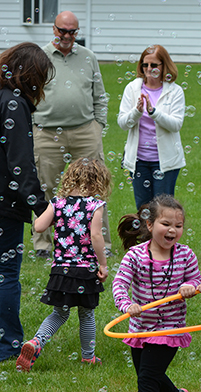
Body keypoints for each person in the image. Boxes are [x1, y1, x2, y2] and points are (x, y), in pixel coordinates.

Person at [16, 158, 111, 371]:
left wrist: (57, 217)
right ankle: (88, 357)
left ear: (70, 178)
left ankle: (36, 342)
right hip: (85, 271)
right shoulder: (95, 205)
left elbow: (39, 226)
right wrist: (103, 265)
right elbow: (96, 235)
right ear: (98, 183)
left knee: (60, 313)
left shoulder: (57, 203)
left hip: (61, 270)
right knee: (86, 313)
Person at [32, 10, 111, 259]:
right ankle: (43, 245)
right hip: (46, 132)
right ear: (54, 29)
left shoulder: (88, 57)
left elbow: (100, 95)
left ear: (77, 32)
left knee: (94, 187)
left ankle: (101, 242)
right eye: (62, 30)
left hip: (84, 130)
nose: (66, 36)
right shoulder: (39, 57)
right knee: (47, 186)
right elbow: (27, 93)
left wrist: (98, 125)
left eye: (72, 32)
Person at [0, 42, 55, 363]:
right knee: (6, 273)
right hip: (4, 205)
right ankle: (7, 345)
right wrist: (43, 207)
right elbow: (19, 164)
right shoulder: (14, 104)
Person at [113, 194, 201, 392]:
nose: (172, 230)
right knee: (151, 375)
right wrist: (127, 305)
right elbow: (120, 283)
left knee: (147, 380)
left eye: (178, 226)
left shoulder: (185, 255)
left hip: (169, 328)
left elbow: (196, 280)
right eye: (166, 223)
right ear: (150, 225)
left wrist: (190, 286)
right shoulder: (135, 256)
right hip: (140, 326)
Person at [118, 45, 186, 210]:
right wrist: (137, 112)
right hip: (139, 160)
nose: (149, 69)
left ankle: (162, 237)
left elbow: (176, 124)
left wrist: (153, 112)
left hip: (165, 161)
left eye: (154, 65)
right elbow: (122, 123)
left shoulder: (175, 91)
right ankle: (146, 237)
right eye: (145, 64)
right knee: (143, 210)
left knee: (163, 210)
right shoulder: (133, 88)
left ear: (164, 66)